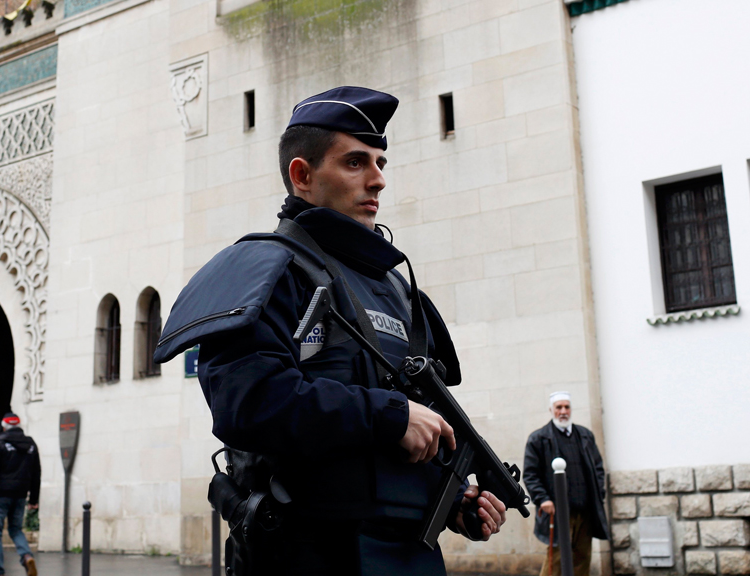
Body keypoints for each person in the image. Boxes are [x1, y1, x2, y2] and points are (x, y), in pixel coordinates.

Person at [153, 86, 507, 575]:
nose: (378, 180)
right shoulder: (265, 271)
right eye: (356, 163)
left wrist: (455, 501)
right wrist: (389, 416)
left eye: (381, 163)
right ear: (303, 175)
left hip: (412, 557)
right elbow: (249, 403)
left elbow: (417, 428)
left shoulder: (399, 291)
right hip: (310, 554)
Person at [523, 391, 609, 576]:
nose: (563, 411)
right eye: (559, 407)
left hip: (585, 510)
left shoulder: (585, 435)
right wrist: (543, 499)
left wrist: (598, 493)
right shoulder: (538, 439)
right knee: (557, 558)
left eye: (566, 407)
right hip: (559, 511)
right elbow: (530, 474)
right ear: (551, 410)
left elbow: (598, 468)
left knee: (582, 557)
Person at [0, 413, 40, 576]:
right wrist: (34, 498)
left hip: (0, 494)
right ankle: (26, 556)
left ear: (4, 426)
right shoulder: (30, 444)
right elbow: (36, 473)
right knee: (16, 529)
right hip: (20, 494)